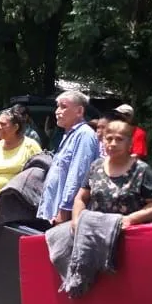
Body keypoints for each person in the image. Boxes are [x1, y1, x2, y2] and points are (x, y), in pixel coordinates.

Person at [71, 119, 152, 304]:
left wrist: (129, 219)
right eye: (108, 138)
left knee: (132, 295)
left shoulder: (141, 170)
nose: (112, 143)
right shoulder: (95, 167)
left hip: (132, 242)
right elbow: (82, 196)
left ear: (129, 142)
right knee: (108, 292)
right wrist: (76, 219)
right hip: (100, 240)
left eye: (119, 139)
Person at [37, 91, 100, 225]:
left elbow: (77, 177)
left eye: (63, 107)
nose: (57, 111)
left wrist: (64, 211)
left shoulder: (84, 135)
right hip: (54, 213)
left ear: (79, 111)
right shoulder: (69, 135)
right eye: (57, 106)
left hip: (66, 218)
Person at [0, 107, 42, 227]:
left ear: (16, 127)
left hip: (19, 208)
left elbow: (39, 179)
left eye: (3, 124)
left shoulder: (30, 146)